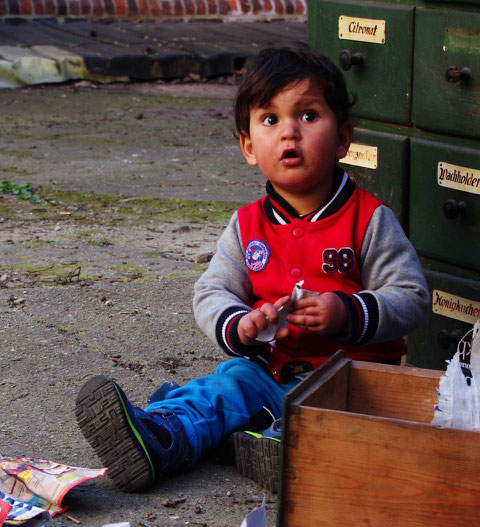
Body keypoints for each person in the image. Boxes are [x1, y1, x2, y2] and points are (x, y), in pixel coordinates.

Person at [75, 44, 429, 492]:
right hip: (271, 373)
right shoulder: (246, 226)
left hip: (355, 383)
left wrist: (347, 311)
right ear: (247, 147)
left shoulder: (369, 219)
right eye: (270, 120)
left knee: (348, 421)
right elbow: (211, 292)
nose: (289, 133)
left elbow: (412, 297)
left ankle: (274, 445)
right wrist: (241, 323)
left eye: (308, 116)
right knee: (226, 386)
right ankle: (163, 437)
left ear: (343, 138)